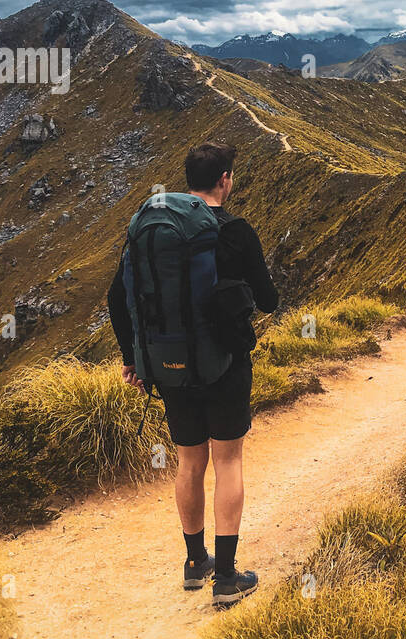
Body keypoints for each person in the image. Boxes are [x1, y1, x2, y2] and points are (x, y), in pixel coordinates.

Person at [107, 141, 278, 608]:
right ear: (225, 178)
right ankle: (226, 577)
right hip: (224, 366)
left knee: (189, 462)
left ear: (188, 179)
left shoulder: (155, 231)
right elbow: (269, 301)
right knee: (228, 461)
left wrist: (134, 358)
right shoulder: (235, 231)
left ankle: (193, 562)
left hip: (169, 368)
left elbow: (118, 299)